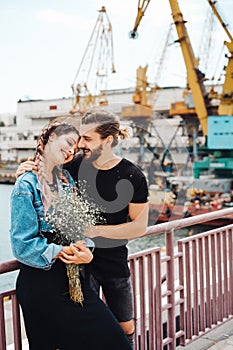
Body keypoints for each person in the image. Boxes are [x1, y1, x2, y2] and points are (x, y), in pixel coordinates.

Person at [16, 110, 149, 349]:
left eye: (86, 139)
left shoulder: (130, 174)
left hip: (106, 263)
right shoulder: (67, 168)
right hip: (68, 271)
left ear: (108, 139)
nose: (79, 146)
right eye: (78, 139)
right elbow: (44, 163)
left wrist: (90, 236)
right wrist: (25, 170)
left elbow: (139, 226)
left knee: (122, 331)